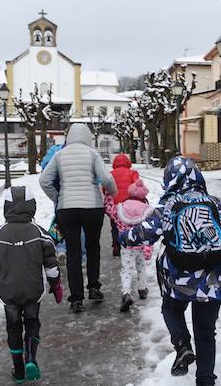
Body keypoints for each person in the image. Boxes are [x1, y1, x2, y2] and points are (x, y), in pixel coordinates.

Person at [121, 156, 221, 386]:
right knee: (206, 333)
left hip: (179, 281)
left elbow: (145, 233)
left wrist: (123, 236)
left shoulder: (168, 206)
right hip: (213, 281)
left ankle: (182, 344)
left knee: (170, 308)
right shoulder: (215, 204)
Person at [0, 186, 63, 384]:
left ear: (7, 207)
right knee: (32, 322)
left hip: (8, 292)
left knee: (13, 327)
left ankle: (18, 369)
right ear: (31, 207)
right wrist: (56, 285)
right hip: (33, 290)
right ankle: (31, 358)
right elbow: (51, 265)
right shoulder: (40, 233)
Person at [40, 124, 117, 313]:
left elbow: (44, 180)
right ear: (88, 137)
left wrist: (57, 197)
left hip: (67, 208)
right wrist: (114, 193)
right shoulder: (92, 154)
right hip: (93, 208)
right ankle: (94, 287)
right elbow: (106, 179)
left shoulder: (60, 155)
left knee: (73, 252)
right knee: (93, 247)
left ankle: (76, 298)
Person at [105, 179, 153, 313]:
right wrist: (149, 248)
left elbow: (110, 210)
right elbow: (151, 230)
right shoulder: (147, 210)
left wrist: (109, 194)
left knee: (126, 269)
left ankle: (126, 293)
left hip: (127, 245)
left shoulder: (121, 207)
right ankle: (142, 288)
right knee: (141, 266)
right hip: (141, 245)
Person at [108, 153, 140, 257]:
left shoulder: (110, 174)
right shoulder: (133, 173)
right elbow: (137, 187)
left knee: (114, 227)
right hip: (129, 205)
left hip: (115, 206)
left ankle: (116, 245)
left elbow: (105, 188)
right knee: (129, 225)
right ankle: (129, 243)